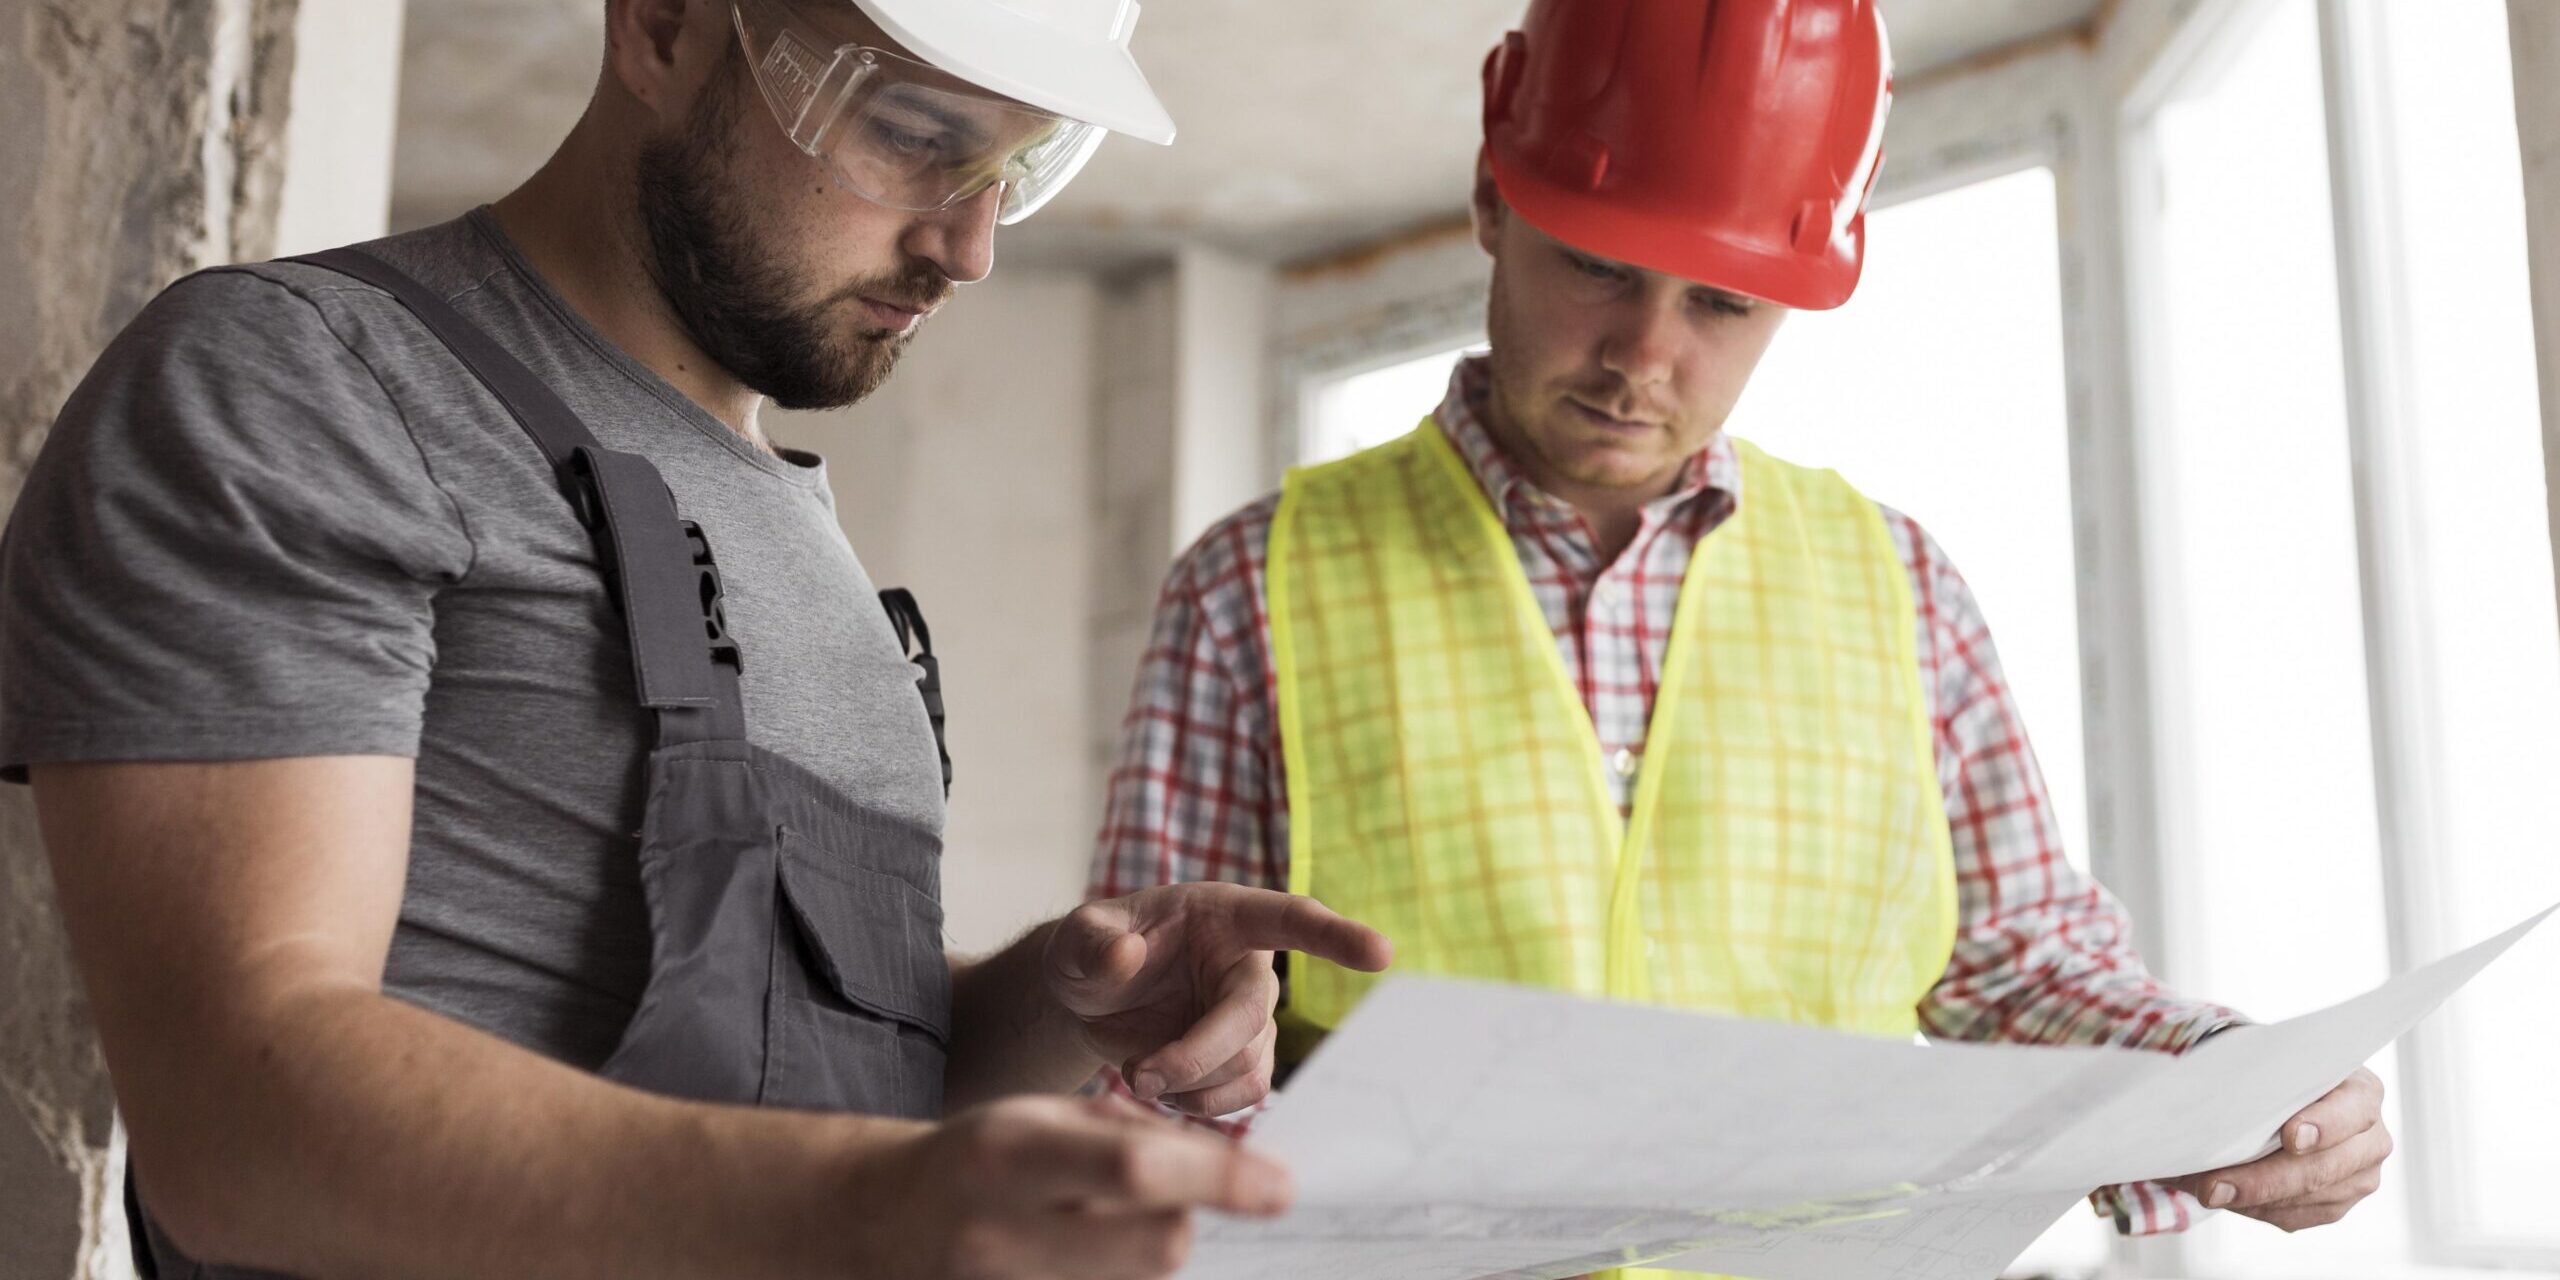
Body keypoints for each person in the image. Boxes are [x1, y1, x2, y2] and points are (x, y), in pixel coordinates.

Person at [2, 0, 1388, 1276]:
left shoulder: (799, 534)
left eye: (1017, 171)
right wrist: (865, 1206)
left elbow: (805, 1073)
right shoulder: (307, 386)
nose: (968, 245)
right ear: (662, 25)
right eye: (914, 134)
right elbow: (236, 1115)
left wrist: (1068, 1008)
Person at [1088, 1, 2389, 1274]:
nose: (1644, 359)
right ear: (1496, 197)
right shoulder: (1255, 587)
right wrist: (1208, 1121)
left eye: (1723, 302)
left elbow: (2018, 969)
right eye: (1599, 267)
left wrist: (2231, 1086)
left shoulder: (1901, 589)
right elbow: (1150, 1047)